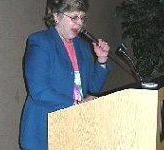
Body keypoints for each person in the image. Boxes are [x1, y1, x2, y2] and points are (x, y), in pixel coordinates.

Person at [20, 0, 110, 149]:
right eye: (74, 17)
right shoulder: (40, 42)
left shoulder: (82, 46)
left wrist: (101, 60)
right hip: (45, 129)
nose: (80, 23)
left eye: (82, 18)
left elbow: (93, 88)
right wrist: (77, 104)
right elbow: (39, 91)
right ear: (56, 16)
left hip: (74, 128)